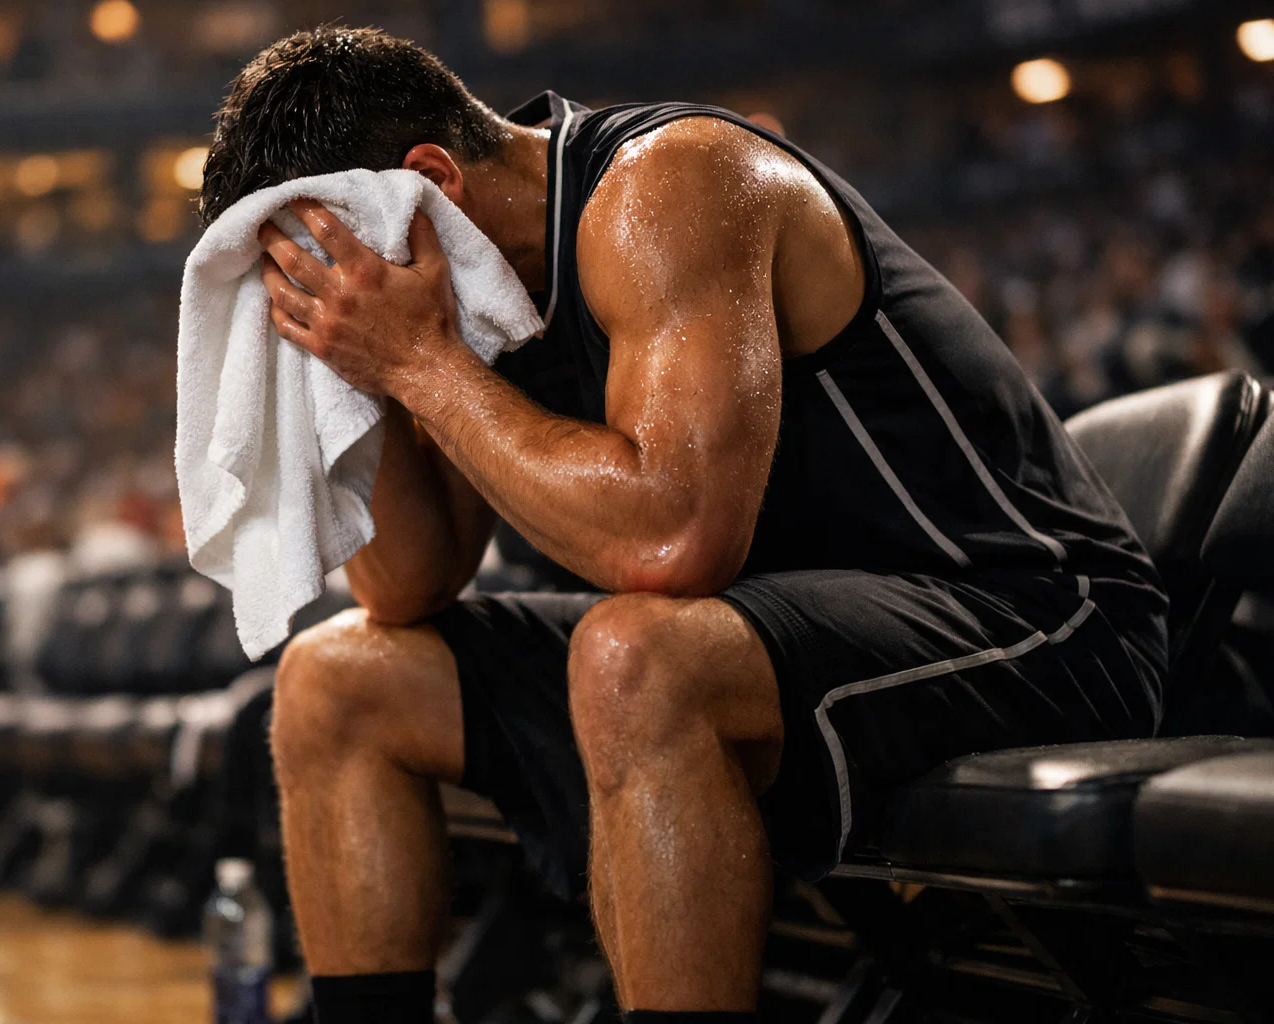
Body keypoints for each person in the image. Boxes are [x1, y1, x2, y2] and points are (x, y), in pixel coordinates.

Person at [195, 27, 1168, 1023]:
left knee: (636, 658)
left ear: (430, 185)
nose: (323, 293)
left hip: (1036, 621)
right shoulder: (464, 295)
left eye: (327, 259)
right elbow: (410, 583)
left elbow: (673, 541)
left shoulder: (668, 184)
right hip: (760, 642)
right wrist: (373, 364)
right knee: (336, 679)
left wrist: (417, 363)